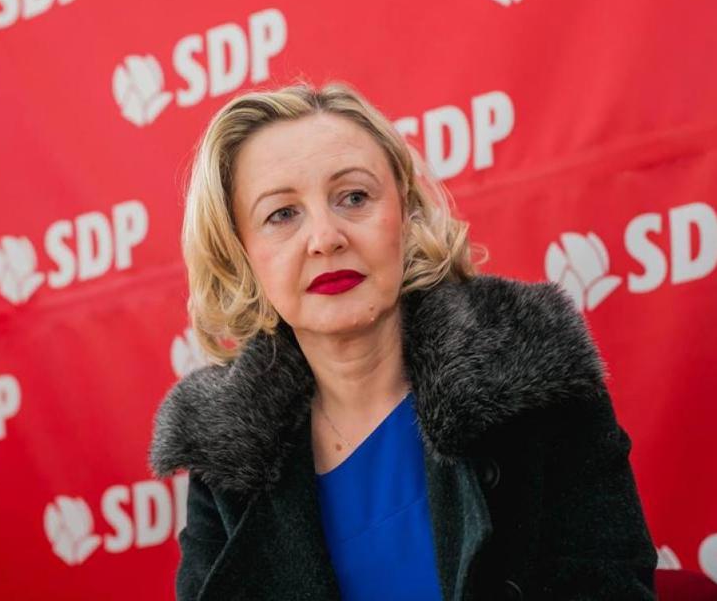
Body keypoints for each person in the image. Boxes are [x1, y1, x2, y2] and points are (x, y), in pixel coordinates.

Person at [148, 80, 657, 600]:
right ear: (241, 255)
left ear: (406, 213)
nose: (326, 238)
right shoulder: (225, 455)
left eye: (354, 197)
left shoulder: (532, 367)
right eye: (282, 214)